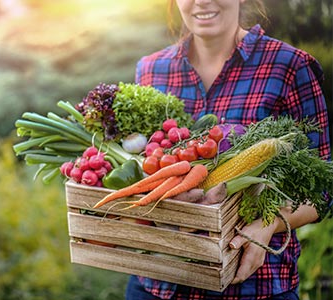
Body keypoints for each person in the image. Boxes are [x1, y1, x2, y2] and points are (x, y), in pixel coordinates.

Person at [125, 0, 332, 299]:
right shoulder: (151, 69)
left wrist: (267, 225)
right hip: (157, 284)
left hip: (251, 286)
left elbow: (322, 192)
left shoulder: (289, 67)